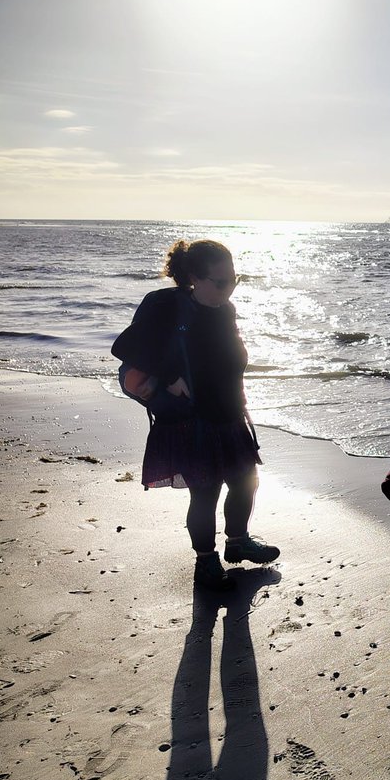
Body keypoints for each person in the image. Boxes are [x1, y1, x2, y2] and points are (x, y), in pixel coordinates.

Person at [112, 239, 279, 590]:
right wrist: (169, 376)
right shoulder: (168, 308)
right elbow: (123, 347)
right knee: (205, 493)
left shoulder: (225, 308)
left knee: (246, 481)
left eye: (235, 279)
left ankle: (238, 542)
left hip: (229, 413)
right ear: (194, 278)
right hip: (191, 421)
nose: (229, 288)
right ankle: (205, 562)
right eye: (220, 282)